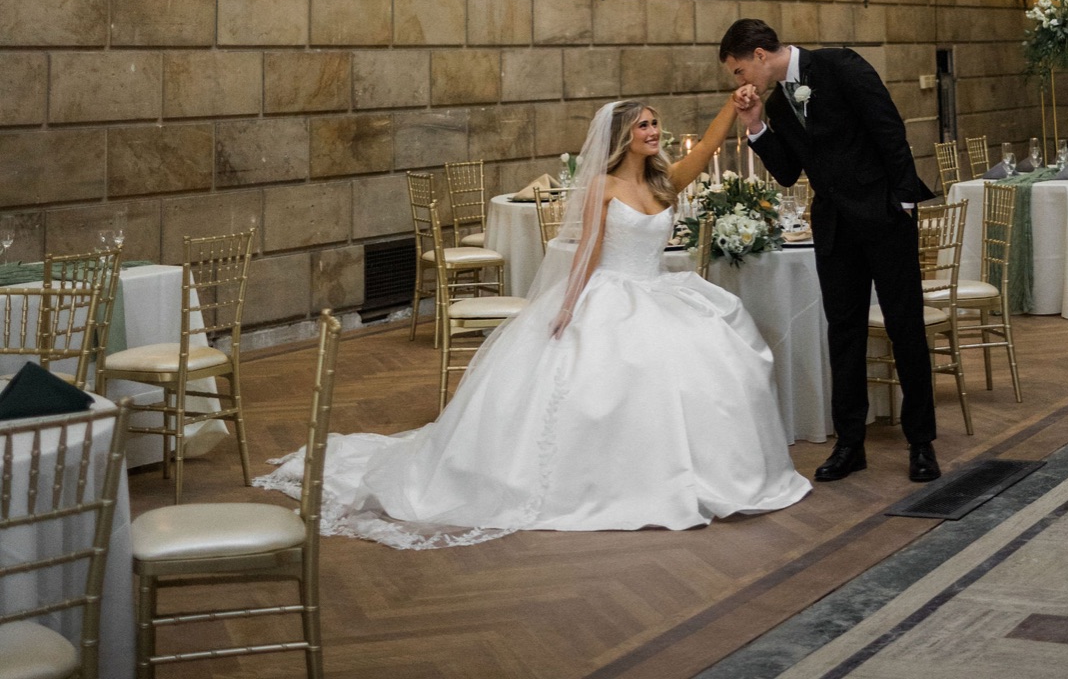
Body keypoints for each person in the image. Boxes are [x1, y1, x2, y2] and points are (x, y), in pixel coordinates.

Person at [260, 94, 810, 545]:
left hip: (660, 293)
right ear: (623, 134)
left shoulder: (664, 184)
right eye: (644, 125)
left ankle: (699, 476)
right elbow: (591, 248)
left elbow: (713, 143)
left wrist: (736, 106)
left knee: (714, 366)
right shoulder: (603, 187)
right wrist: (568, 306)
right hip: (610, 296)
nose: (653, 132)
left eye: (656, 125)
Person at [719, 17, 940, 485]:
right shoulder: (777, 105)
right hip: (835, 227)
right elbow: (785, 171)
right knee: (843, 333)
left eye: (738, 72)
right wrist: (755, 126)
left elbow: (888, 128)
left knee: (905, 326)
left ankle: (921, 443)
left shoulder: (840, 65)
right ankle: (850, 443)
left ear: (759, 55)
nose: (740, 83)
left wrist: (901, 201)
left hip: (884, 216)